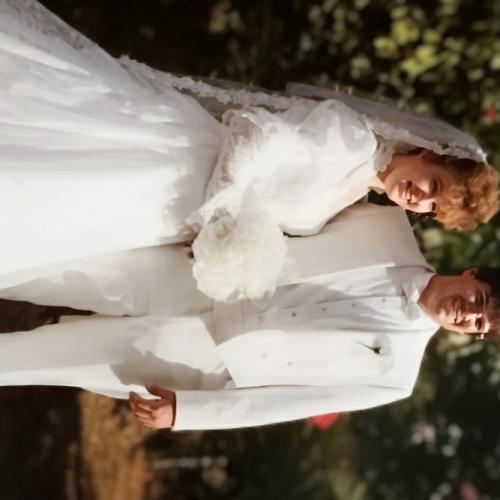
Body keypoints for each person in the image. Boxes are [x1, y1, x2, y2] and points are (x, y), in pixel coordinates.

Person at [0, 0, 497, 299]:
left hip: (171, 210)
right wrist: (219, 217)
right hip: (174, 164)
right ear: (428, 151)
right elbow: (252, 132)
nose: (419, 199)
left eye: (432, 207)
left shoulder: (354, 196)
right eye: (433, 184)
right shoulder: (352, 139)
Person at [0, 205, 497, 430]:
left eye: (479, 325)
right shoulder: (386, 227)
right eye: (479, 301)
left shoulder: (397, 377)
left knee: (47, 357)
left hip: (201, 355)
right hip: (195, 272)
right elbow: (292, 211)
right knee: (57, 267)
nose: (469, 314)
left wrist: (189, 413)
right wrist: (216, 227)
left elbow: (284, 404)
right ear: (471, 274)